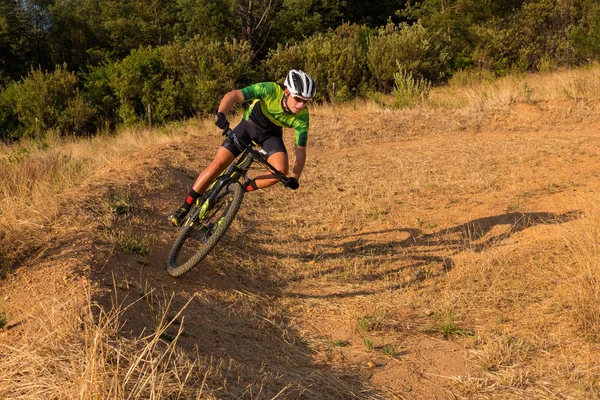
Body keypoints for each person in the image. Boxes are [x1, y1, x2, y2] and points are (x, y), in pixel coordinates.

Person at [168, 69, 316, 226]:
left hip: (271, 136)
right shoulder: (270, 89)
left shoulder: (302, 117)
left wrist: (295, 177)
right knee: (219, 163)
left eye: (306, 101)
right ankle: (185, 207)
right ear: (287, 91)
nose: (301, 105)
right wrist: (221, 114)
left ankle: (241, 189)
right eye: (298, 98)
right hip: (248, 127)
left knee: (280, 173)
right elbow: (234, 95)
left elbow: (300, 151)